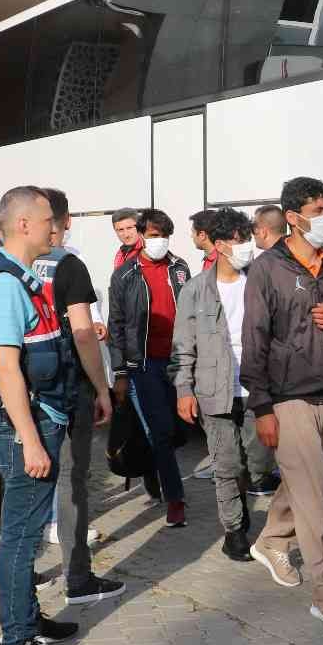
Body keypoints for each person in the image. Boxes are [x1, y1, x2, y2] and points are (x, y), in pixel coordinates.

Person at [241, 176, 323, 629]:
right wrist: (262, 407)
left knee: (305, 482)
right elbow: (254, 342)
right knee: (316, 499)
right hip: (287, 398)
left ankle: (270, 540)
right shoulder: (268, 269)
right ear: (293, 218)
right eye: (318, 210)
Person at [0, 186, 83, 645]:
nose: (55, 227)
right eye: (47, 219)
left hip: (44, 419)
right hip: (28, 428)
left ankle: (29, 620)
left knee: (28, 533)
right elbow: (6, 370)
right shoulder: (4, 285)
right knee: (21, 539)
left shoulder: (25, 279)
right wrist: (31, 440)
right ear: (23, 224)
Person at [34, 188, 122, 607]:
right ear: (64, 220)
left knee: (30, 485)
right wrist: (102, 387)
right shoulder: (68, 265)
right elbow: (84, 332)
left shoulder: (12, 263)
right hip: (69, 389)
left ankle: (28, 576)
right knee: (71, 483)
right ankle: (78, 578)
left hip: (27, 389)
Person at [173, 207, 275, 562]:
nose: (246, 246)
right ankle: (234, 531)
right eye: (238, 240)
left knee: (256, 463)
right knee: (226, 464)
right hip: (213, 389)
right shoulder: (196, 290)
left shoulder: (260, 279)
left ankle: (242, 506)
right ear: (219, 245)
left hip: (258, 389)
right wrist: (183, 389)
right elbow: (183, 345)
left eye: (248, 239)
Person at [108, 207, 193, 527]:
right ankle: (175, 499)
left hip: (180, 361)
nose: (159, 242)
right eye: (154, 236)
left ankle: (155, 472)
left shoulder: (180, 268)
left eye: (164, 236)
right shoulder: (126, 275)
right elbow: (116, 326)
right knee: (160, 431)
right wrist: (120, 372)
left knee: (176, 432)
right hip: (144, 365)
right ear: (142, 236)